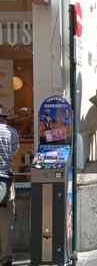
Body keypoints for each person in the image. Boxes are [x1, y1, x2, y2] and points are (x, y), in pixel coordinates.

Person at [0, 109, 19, 266]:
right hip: (5, 181)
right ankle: (5, 257)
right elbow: (14, 151)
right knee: (6, 222)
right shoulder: (11, 132)